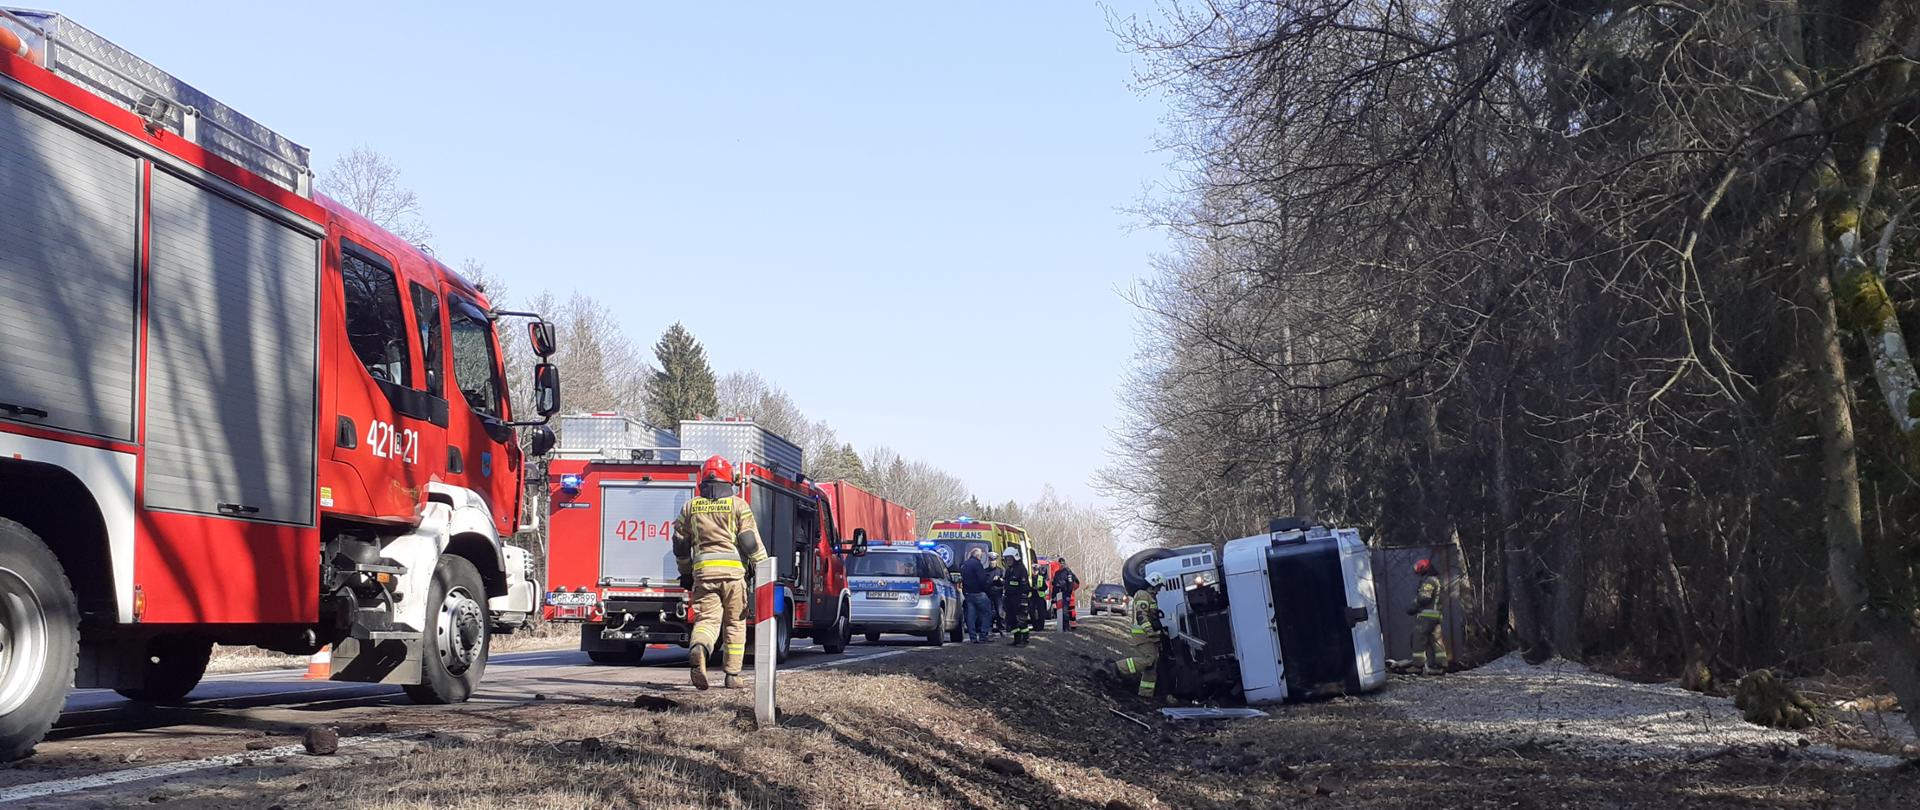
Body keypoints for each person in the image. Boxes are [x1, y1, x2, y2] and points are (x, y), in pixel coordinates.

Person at [671, 455, 767, 691]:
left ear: (703, 480)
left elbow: (680, 543)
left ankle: (700, 648)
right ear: (729, 480)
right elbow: (750, 541)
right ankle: (732, 675)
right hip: (734, 576)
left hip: (704, 574)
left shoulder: (690, 507)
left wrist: (685, 572)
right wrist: (763, 568)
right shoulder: (738, 506)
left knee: (707, 621)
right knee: (735, 623)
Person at [1114, 572, 1164, 698]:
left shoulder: (1149, 596)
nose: (1159, 590)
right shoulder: (1143, 595)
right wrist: (1150, 632)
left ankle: (1145, 694)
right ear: (1153, 583)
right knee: (1149, 660)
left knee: (1152, 666)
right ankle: (1118, 668)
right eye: (1159, 587)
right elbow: (1141, 616)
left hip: (1147, 635)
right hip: (1142, 635)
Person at [1407, 558, 1449, 675]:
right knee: (1436, 640)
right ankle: (1441, 665)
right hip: (1436, 616)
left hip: (1427, 616)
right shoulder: (1437, 580)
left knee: (1418, 638)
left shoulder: (1429, 581)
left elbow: (1424, 598)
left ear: (1424, 570)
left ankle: (1418, 666)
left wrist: (1414, 606)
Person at [959, 548, 994, 643]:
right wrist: (987, 589)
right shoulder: (977, 564)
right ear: (978, 555)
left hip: (968, 594)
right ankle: (983, 635)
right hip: (979, 593)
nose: (981, 558)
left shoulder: (964, 565)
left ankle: (972, 637)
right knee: (987, 613)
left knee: (971, 616)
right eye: (981, 556)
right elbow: (982, 579)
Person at [1001, 548, 1031, 647]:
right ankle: (1017, 639)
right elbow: (1007, 582)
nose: (1008, 561)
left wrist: (1009, 583)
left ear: (1015, 558)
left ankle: (1025, 640)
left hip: (1019, 597)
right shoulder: (1009, 570)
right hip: (1009, 598)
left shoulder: (1021, 569)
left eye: (1010, 559)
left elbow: (1023, 584)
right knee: (1011, 620)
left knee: (1021, 620)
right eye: (1007, 559)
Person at [1049, 557, 1081, 631]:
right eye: (1060, 564)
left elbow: (1071, 584)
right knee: (1059, 612)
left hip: (1065, 593)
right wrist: (1053, 598)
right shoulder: (1057, 573)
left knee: (1065, 611)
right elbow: (1054, 586)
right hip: (1058, 594)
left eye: (1062, 564)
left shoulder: (1068, 572)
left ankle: (1066, 627)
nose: (1061, 565)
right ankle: (1061, 627)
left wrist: (1069, 594)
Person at [987, 560, 1007, 637]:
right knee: (989, 613)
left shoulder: (1000, 570)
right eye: (991, 562)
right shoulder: (986, 571)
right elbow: (984, 581)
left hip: (998, 594)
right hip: (989, 594)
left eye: (994, 562)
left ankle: (1002, 629)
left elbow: (1004, 582)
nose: (992, 563)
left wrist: (999, 579)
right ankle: (989, 629)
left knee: (1000, 612)